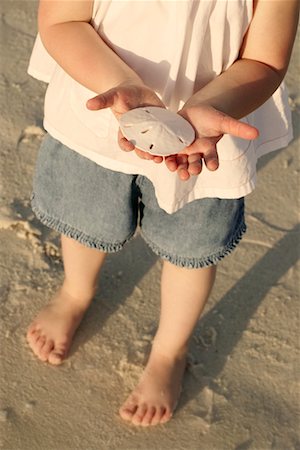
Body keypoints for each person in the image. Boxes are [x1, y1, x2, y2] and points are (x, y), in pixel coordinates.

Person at [26, 0, 298, 427]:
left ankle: (170, 349)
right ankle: (75, 293)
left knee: (187, 247)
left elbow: (264, 59)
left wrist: (213, 103)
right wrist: (120, 83)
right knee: (84, 217)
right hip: (98, 116)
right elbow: (62, 20)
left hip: (207, 140)